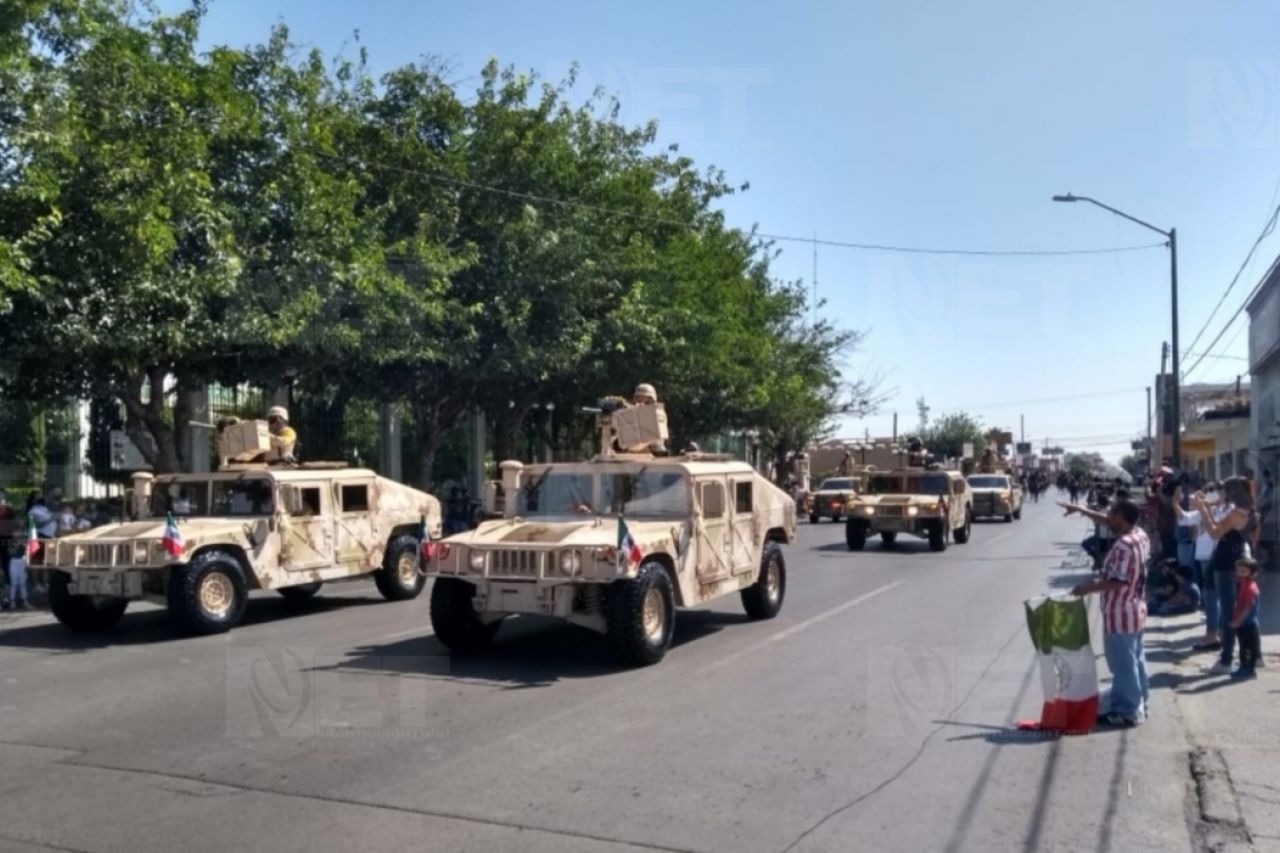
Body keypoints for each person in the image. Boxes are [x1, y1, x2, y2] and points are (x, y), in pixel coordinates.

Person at [1064, 497, 1150, 727]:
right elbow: (1108, 522)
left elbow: (1118, 582)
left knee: (1123, 665)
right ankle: (1140, 702)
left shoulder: (1123, 545)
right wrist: (1081, 510)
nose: (1108, 518)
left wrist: (1087, 588)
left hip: (1120, 614)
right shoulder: (1140, 535)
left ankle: (1127, 711)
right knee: (1136, 660)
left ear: (1122, 518)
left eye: (1112, 514)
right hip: (1136, 610)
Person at [1193, 476, 1258, 675]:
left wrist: (1202, 508)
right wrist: (1205, 505)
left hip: (1227, 564)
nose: (1223, 493)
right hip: (1234, 561)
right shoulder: (1246, 510)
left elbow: (1214, 532)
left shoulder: (1238, 512)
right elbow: (1218, 526)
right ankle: (1251, 656)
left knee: (1228, 614)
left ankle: (1226, 660)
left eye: (1226, 490)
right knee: (1233, 611)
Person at [1177, 485, 1230, 650]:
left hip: (1215, 558)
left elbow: (1217, 528)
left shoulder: (1227, 510)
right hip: (1203, 558)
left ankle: (1216, 633)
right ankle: (1216, 631)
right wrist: (1175, 503)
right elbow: (1184, 518)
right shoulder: (1204, 510)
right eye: (1207, 492)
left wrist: (1204, 506)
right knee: (1211, 597)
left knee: (1214, 596)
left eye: (1213, 492)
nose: (1208, 495)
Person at [1228, 557, 1262, 680]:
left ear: (1252, 573)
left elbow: (1248, 607)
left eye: (1243, 571)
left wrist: (1238, 621)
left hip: (1248, 624)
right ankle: (1245, 668)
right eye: (1238, 571)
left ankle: (1248, 670)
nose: (1239, 573)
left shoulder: (1250, 588)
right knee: (1244, 647)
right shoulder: (1243, 584)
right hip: (1244, 624)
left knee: (1247, 648)